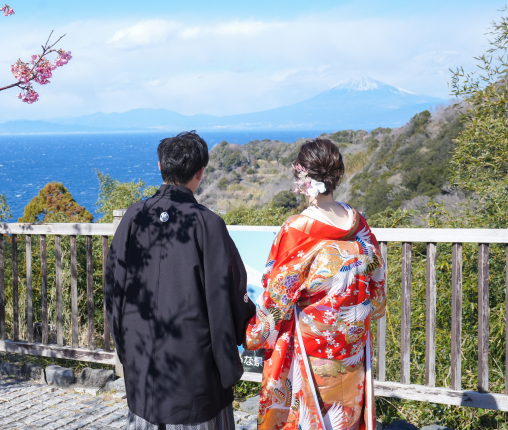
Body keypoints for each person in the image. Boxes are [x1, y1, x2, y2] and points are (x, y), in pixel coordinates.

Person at [106, 131, 257, 430]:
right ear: (200, 173)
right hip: (194, 368)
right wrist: (247, 323)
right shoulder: (208, 223)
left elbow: (114, 290)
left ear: (160, 167)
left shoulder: (134, 217)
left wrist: (126, 350)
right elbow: (228, 293)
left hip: (143, 360)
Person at [244, 138, 386, 430]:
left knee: (314, 420)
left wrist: (253, 333)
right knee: (346, 416)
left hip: (312, 349)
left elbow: (277, 294)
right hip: (352, 344)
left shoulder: (298, 229)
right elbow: (377, 286)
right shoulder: (358, 223)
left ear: (302, 177)